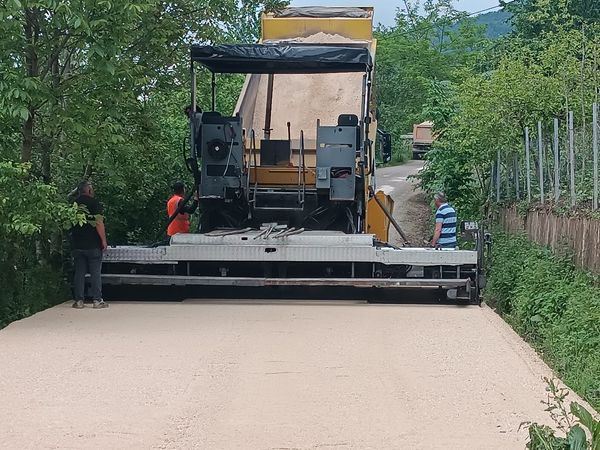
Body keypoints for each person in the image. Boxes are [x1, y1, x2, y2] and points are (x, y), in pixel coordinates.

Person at [70, 180, 109, 309]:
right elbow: (99, 223)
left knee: (79, 273)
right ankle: (97, 300)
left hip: (77, 244)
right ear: (89, 190)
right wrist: (103, 240)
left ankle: (79, 301)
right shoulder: (94, 203)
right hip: (93, 244)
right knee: (95, 273)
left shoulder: (73, 204)